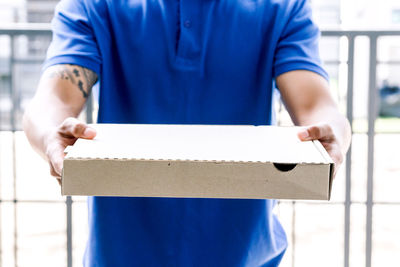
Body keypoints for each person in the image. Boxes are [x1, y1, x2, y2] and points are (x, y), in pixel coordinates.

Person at [23, 0, 351, 266]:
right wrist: (51, 134)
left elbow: (315, 106)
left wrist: (334, 135)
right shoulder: (94, 5)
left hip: (245, 251)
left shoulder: (284, 7)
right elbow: (53, 100)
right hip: (123, 250)